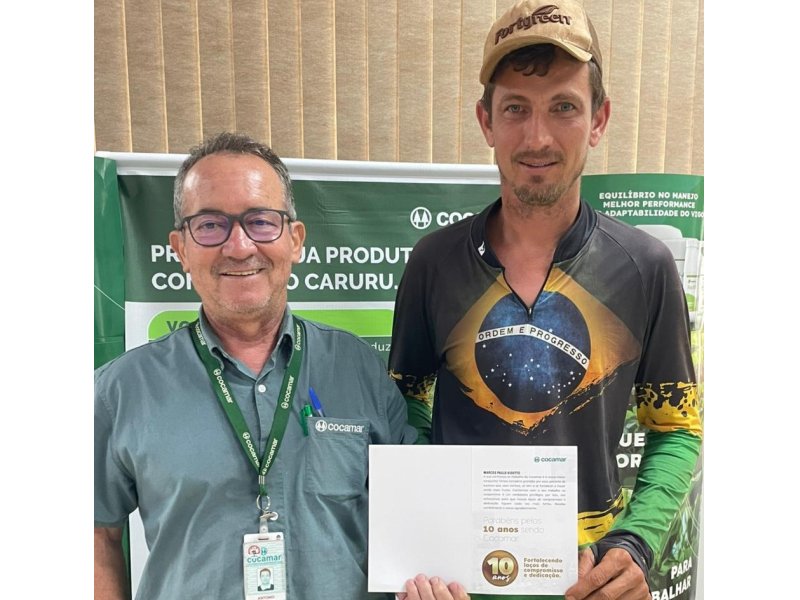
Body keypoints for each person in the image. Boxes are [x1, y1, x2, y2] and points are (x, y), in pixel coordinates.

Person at [389, 1, 702, 599]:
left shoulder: (645, 268)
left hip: (589, 583)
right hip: (460, 582)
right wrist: (427, 534)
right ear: (486, 121)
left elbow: (677, 429)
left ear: (599, 119)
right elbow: (405, 412)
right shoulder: (434, 264)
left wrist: (636, 544)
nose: (537, 137)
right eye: (516, 108)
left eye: (564, 107)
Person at [94, 131, 416, 600]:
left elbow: (411, 511)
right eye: (210, 225)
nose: (240, 246)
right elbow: (95, 535)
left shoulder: (360, 370)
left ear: (295, 240)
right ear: (180, 249)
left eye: (261, 221)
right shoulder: (119, 390)